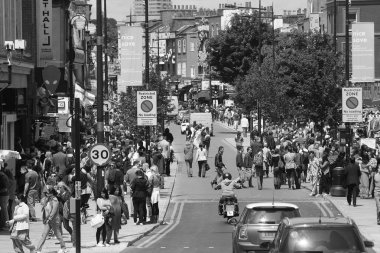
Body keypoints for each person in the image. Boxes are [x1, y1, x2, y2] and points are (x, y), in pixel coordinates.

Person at [35, 186, 67, 253]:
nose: (46, 194)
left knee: (58, 235)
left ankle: (63, 248)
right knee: (44, 235)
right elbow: (43, 205)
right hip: (48, 221)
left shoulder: (55, 200)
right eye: (46, 193)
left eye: (48, 193)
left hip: (54, 220)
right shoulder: (48, 200)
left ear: (52, 193)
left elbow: (54, 211)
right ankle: (38, 250)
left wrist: (49, 218)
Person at [0, 165, 9, 230]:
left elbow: (5, 188)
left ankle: (6, 225)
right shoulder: (4, 176)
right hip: (4, 195)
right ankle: (4, 224)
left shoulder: (2, 176)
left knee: (4, 210)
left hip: (3, 195)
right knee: (4, 210)